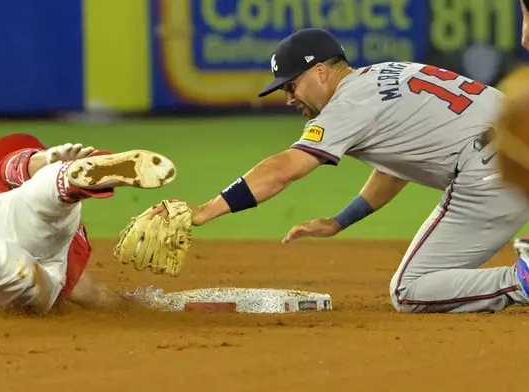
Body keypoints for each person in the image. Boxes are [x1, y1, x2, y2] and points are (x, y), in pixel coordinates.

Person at [150, 28, 529, 313]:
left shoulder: (347, 106)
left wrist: (205, 210)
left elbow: (285, 168)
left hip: (493, 170)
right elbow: (395, 168)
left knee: (408, 290)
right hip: (518, 146)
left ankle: (522, 279)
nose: (288, 98)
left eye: (291, 85)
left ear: (319, 72)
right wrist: (340, 221)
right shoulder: (384, 74)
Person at [0, 133, 177, 317]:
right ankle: (66, 178)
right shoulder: (6, 180)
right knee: (26, 271)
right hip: (35, 245)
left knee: (0, 264)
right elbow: (18, 165)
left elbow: (17, 166)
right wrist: (133, 305)